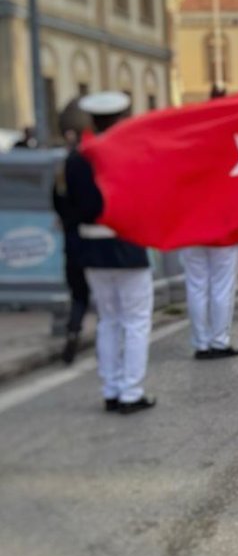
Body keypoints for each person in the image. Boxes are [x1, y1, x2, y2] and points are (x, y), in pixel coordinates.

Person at [61, 92, 156, 414]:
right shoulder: (131, 153)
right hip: (127, 245)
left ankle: (111, 389)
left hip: (91, 247)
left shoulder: (76, 159)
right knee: (136, 321)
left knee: (109, 320)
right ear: (120, 119)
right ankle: (131, 392)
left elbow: (65, 206)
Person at [51, 133, 89, 364]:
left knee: (78, 296)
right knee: (107, 300)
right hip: (90, 243)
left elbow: (56, 202)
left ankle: (73, 330)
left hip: (70, 242)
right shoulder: (86, 171)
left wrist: (65, 222)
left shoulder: (61, 174)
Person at [178, 242, 238, 360]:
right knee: (222, 287)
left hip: (190, 233)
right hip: (222, 233)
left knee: (195, 287)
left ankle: (201, 343)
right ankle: (220, 341)